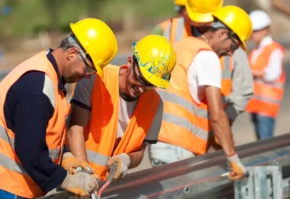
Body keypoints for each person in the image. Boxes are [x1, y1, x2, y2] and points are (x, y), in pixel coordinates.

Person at [0, 18, 118, 198]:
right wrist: (65, 179)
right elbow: (30, 151)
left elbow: (43, 132)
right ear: (73, 53)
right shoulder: (38, 87)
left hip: (14, 184)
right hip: (4, 185)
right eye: (88, 69)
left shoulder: (50, 73)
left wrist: (65, 156)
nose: (86, 76)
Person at [150, 5, 252, 181]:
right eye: (233, 47)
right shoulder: (207, 56)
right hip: (178, 147)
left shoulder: (183, 45)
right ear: (222, 34)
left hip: (159, 143)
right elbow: (217, 115)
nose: (230, 53)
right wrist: (233, 159)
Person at [66, 34, 176, 181]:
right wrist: (83, 174)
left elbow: (140, 152)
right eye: (140, 79)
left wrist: (127, 159)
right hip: (76, 175)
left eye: (149, 84)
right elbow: (75, 129)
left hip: (110, 186)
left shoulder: (155, 105)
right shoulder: (97, 78)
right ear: (130, 62)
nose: (142, 89)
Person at [246, 10, 285, 140]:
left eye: (256, 31)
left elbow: (272, 74)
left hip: (267, 107)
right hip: (255, 105)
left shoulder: (274, 49)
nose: (253, 34)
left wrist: (250, 71)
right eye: (252, 31)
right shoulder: (255, 50)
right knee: (260, 143)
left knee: (265, 145)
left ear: (266, 30)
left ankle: (273, 162)